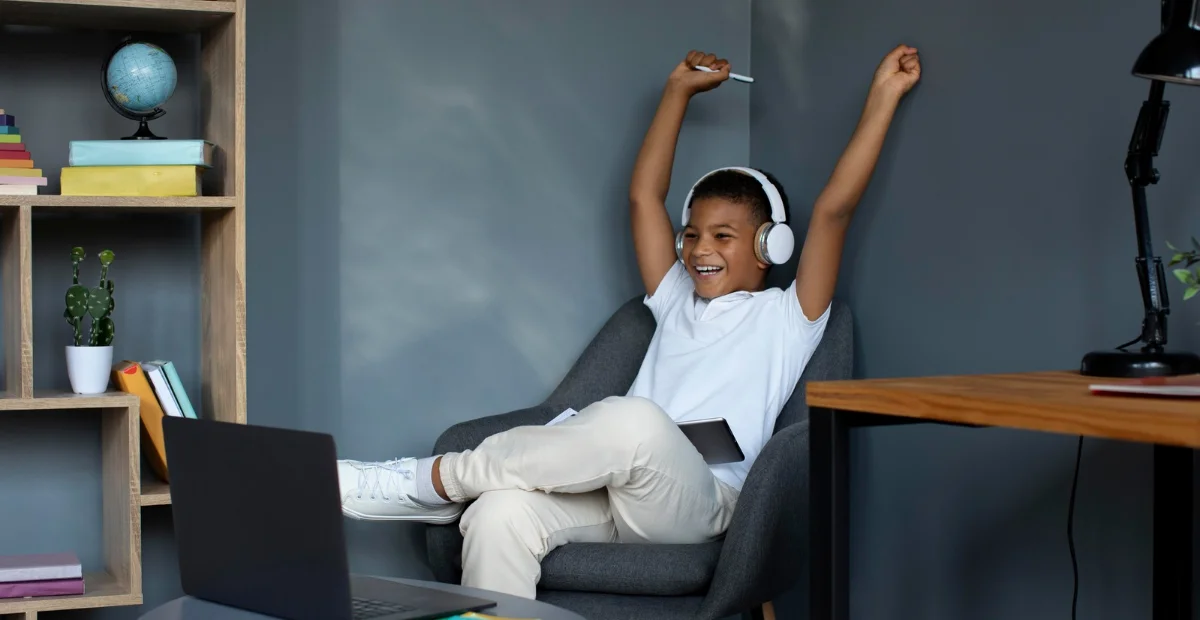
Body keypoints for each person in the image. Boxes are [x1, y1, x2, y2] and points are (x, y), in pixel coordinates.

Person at [336, 44, 921, 600]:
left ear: (771, 244)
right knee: (497, 515)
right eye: (690, 234)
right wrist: (677, 91)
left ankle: (431, 483)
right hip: (613, 490)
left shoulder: (790, 316)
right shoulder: (674, 299)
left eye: (722, 236)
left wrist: (884, 96)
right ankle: (465, 492)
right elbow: (645, 196)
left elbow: (834, 209)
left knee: (633, 419)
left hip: (700, 501)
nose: (697, 250)